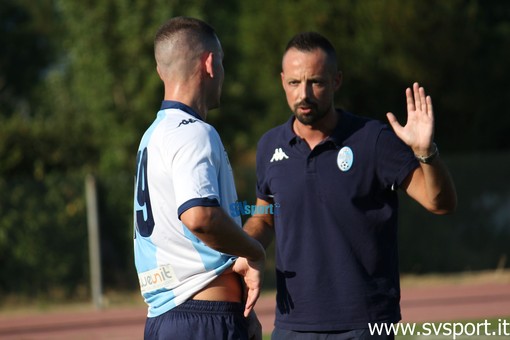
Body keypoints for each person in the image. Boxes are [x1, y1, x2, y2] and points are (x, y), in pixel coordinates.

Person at [243, 32, 457, 339]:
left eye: (315, 81)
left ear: (336, 81)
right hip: (293, 325)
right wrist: (244, 248)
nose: (304, 93)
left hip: (365, 324)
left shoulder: (373, 139)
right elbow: (263, 218)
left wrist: (426, 152)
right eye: (293, 82)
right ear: (282, 81)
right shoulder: (269, 146)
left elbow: (440, 203)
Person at [133, 17, 265, 340]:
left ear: (160, 70)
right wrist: (254, 252)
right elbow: (200, 217)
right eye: (221, 62)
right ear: (209, 63)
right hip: (203, 321)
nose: (221, 72)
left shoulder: (151, 137)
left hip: (164, 319)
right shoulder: (194, 133)